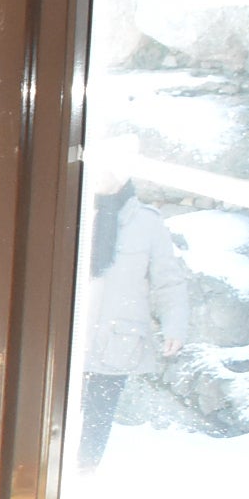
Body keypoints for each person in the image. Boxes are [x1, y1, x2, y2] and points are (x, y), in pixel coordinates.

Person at [73, 145, 189, 472]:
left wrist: (174, 327)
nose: (99, 176)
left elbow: (168, 281)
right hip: (69, 338)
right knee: (56, 422)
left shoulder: (147, 223)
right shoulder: (70, 210)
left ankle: (83, 481)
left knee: (97, 423)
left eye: (107, 169)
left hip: (116, 340)